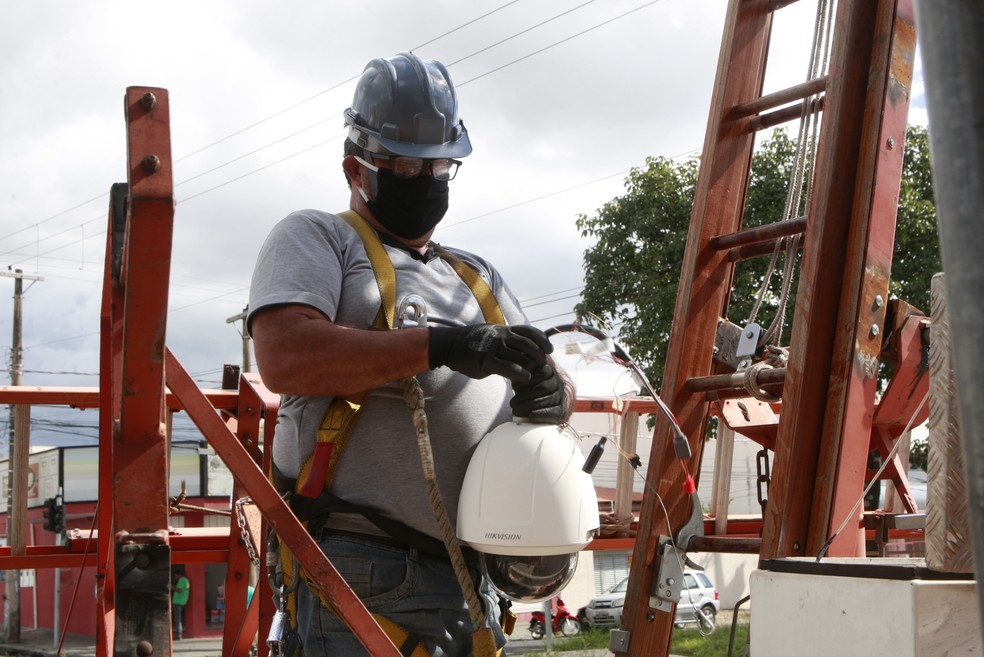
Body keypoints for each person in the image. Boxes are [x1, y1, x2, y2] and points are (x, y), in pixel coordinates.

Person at [248, 52, 573, 657]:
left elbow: (548, 381)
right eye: (402, 165)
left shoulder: (475, 276)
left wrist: (553, 394)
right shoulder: (319, 238)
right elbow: (287, 354)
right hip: (360, 567)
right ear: (355, 167)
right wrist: (445, 345)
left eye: (439, 167)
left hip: (473, 580)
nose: (422, 181)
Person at [171, 570, 190, 640]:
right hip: (182, 601)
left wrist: (172, 587)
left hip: (178, 602)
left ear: (178, 575)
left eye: (175, 575)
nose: (175, 577)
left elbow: (180, 590)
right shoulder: (186, 580)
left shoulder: (181, 580)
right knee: (178, 618)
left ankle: (178, 635)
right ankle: (179, 634)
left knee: (177, 619)